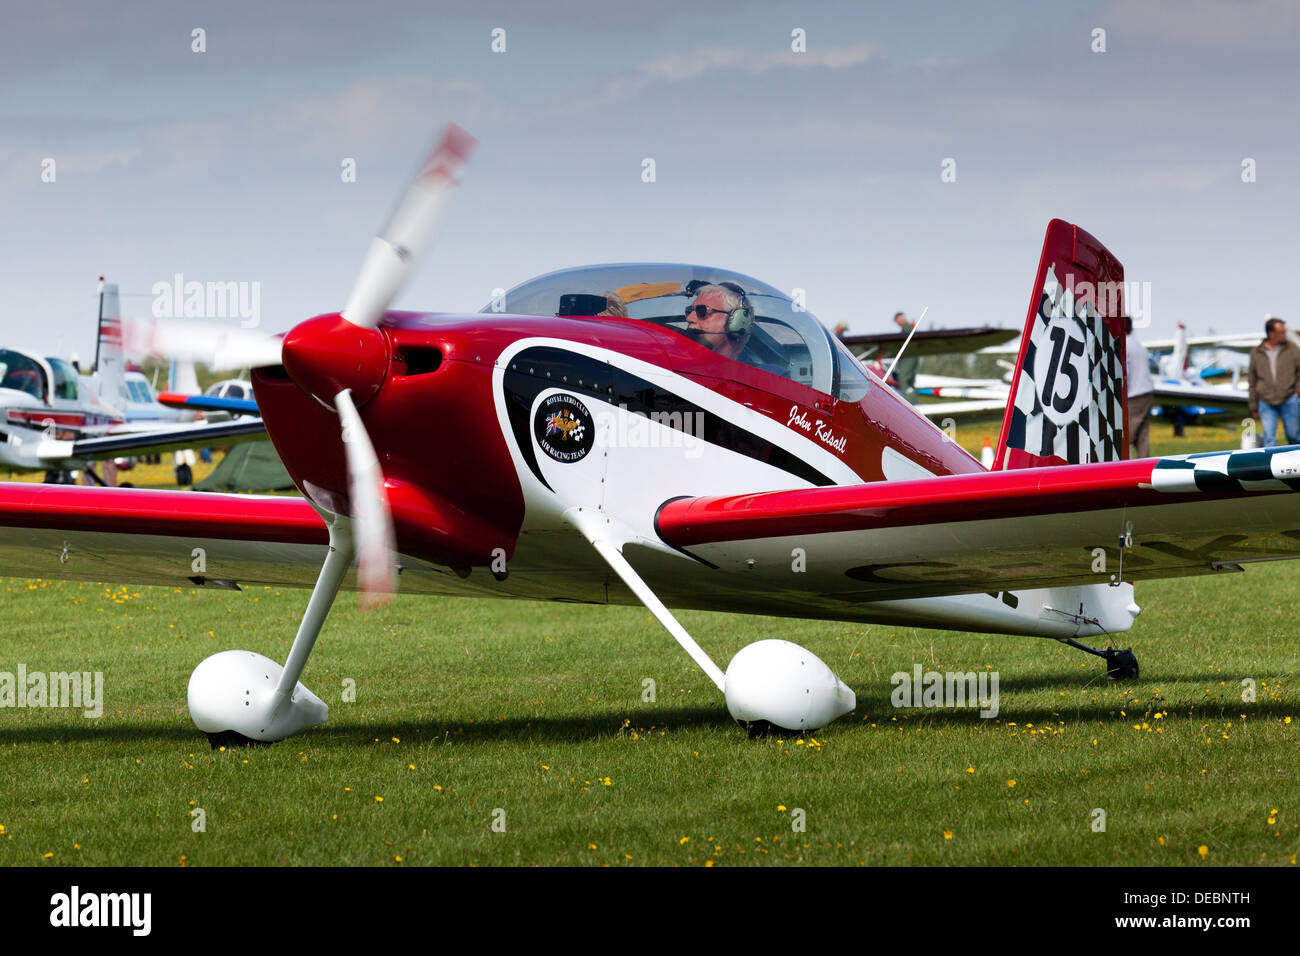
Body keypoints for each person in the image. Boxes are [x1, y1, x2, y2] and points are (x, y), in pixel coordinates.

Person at [1248, 316, 1300, 447]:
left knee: (1294, 435)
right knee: (1269, 439)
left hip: (1289, 398)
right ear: (1271, 334)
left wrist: (1297, 392)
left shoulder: (1292, 349)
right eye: (1281, 332)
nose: (1284, 335)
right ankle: (1268, 466)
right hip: (1266, 401)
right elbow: (1252, 380)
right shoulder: (1256, 353)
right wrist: (1254, 406)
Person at [683, 283, 753, 362]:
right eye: (689, 310)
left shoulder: (761, 373)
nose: (689, 318)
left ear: (737, 323)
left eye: (702, 310)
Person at [1125, 316, 1155, 458]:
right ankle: (1145, 473)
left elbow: (1126, 372)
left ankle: (1127, 473)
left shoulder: (1124, 345)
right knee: (1142, 438)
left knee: (1126, 439)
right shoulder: (1138, 345)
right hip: (1147, 392)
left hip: (1133, 396)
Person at [891, 311, 919, 402]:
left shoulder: (907, 329)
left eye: (896, 320)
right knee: (908, 383)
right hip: (909, 359)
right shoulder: (907, 328)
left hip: (908, 358)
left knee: (903, 380)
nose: (896, 323)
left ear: (900, 319)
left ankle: (911, 404)